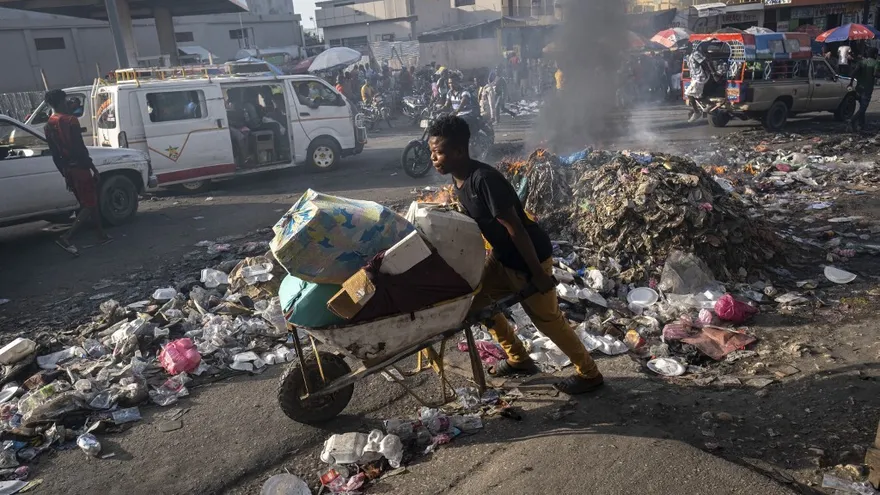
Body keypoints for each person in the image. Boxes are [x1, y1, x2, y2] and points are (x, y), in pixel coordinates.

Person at [426, 115, 604, 395]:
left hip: (527, 256)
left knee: (549, 323)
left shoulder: (484, 180)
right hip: (502, 257)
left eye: (438, 152)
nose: (433, 158)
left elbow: (516, 229)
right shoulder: (458, 182)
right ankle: (519, 358)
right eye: (431, 152)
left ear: (459, 151)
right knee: (476, 306)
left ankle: (590, 373)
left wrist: (538, 274)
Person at [43, 89, 110, 255]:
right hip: (80, 167)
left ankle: (101, 235)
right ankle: (66, 237)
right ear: (60, 102)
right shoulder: (71, 121)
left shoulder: (48, 124)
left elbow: (54, 154)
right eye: (65, 100)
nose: (67, 103)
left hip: (68, 169)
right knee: (89, 204)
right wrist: (93, 168)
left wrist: (64, 172)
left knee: (89, 201)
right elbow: (80, 148)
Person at [847, 47, 878, 132]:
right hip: (867, 89)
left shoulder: (861, 62)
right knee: (863, 108)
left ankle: (861, 125)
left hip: (859, 88)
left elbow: (854, 72)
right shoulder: (875, 63)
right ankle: (852, 121)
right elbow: (875, 74)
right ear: (875, 55)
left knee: (861, 107)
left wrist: (850, 83)